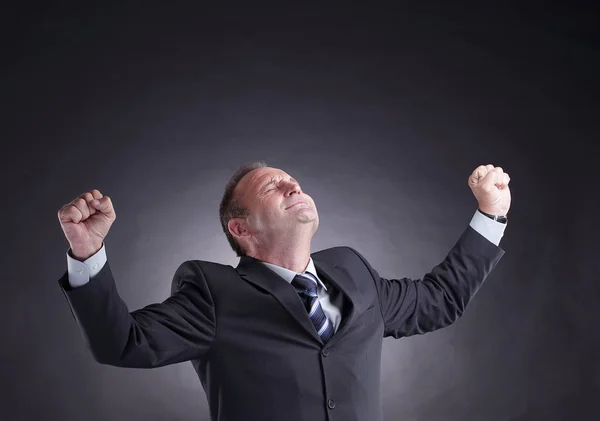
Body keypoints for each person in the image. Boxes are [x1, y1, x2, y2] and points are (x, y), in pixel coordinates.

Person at [57, 162, 510, 421]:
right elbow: (123, 343)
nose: (293, 184)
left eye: (294, 180)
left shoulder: (353, 269)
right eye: (274, 187)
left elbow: (440, 301)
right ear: (241, 228)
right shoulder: (213, 291)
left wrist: (490, 215)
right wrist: (87, 253)